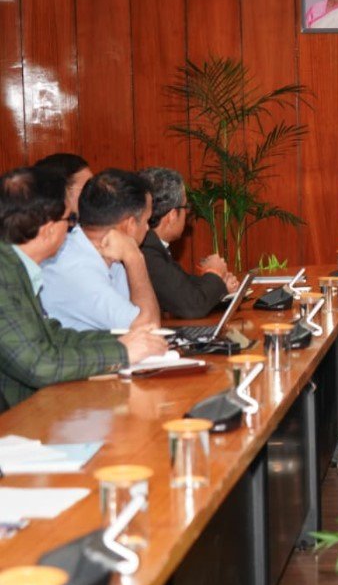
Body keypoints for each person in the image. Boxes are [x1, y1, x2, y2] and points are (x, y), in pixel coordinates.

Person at [0, 168, 166, 409]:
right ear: (48, 230)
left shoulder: (14, 268)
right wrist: (122, 353)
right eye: (70, 220)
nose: (73, 230)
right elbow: (40, 365)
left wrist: (125, 342)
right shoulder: (5, 275)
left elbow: (54, 336)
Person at [41, 169, 161, 331]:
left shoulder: (110, 256)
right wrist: (135, 258)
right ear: (130, 224)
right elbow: (148, 328)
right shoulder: (75, 266)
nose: (147, 228)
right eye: (147, 220)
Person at [139, 168, 239, 319]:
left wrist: (220, 284)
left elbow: (183, 287)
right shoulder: (146, 250)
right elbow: (192, 306)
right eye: (186, 207)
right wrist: (214, 272)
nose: (187, 213)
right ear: (173, 215)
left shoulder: (153, 245)